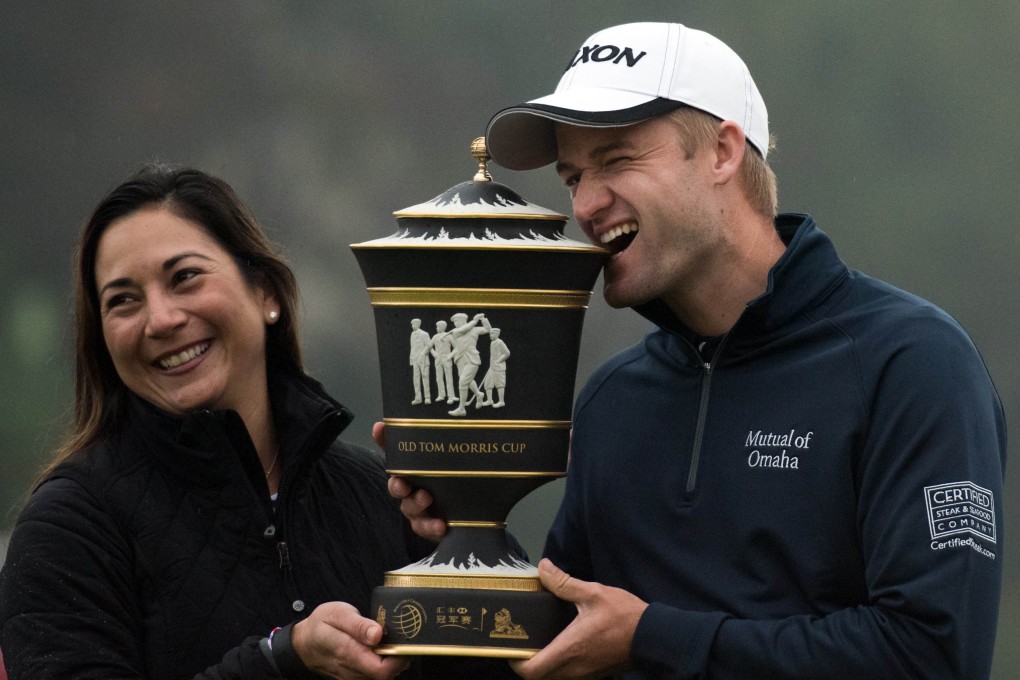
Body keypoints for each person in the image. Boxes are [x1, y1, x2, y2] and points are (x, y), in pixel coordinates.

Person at [390, 22, 1007, 679]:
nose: (587, 204)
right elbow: (577, 637)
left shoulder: (910, 363)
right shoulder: (613, 398)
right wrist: (470, 533)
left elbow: (930, 656)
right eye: (572, 177)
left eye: (617, 160)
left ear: (722, 152)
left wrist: (656, 639)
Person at [0, 165, 515, 680]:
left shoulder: (386, 500)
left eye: (184, 278)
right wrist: (279, 660)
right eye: (123, 301)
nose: (160, 319)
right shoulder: (69, 530)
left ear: (266, 293)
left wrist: (472, 526)